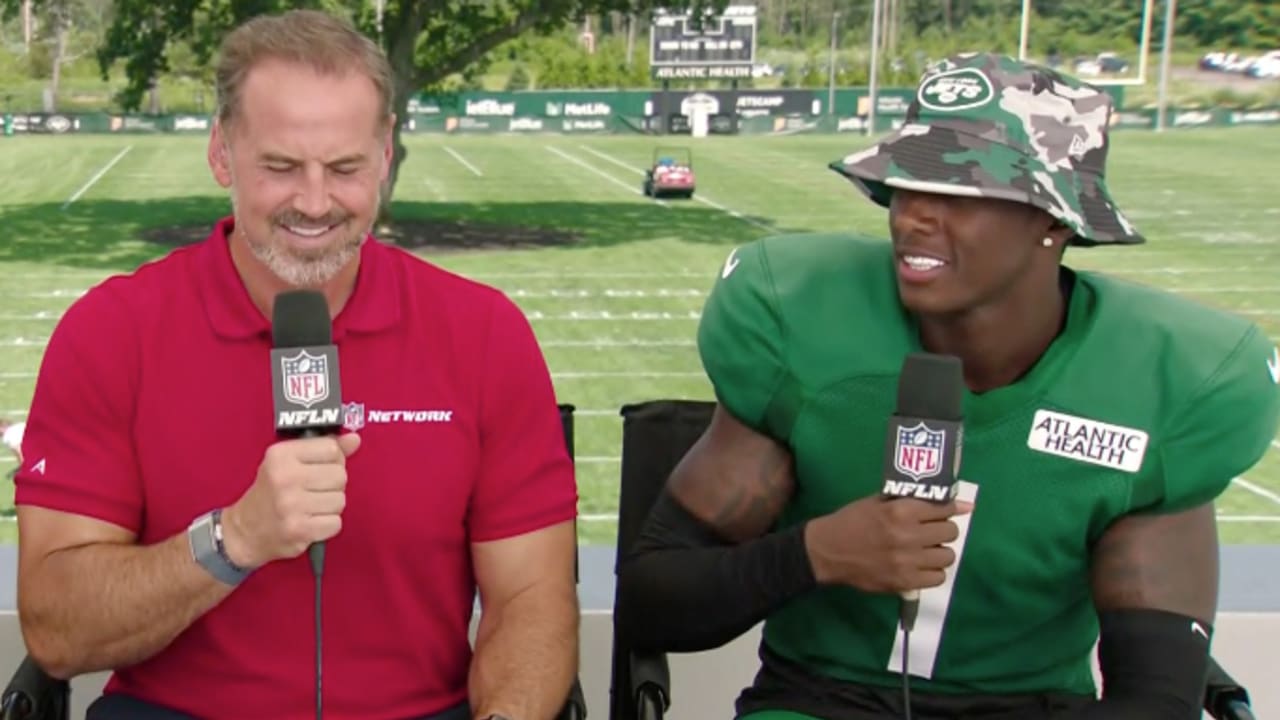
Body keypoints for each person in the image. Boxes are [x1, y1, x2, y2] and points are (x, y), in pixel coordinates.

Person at [617, 52, 1280, 719]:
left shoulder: (1161, 381)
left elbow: (1156, 702)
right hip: (818, 701)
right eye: (905, 186)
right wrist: (814, 553)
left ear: (1055, 220)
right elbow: (653, 603)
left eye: (959, 192)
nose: (912, 217)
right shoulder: (803, 326)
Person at [14, 9, 578, 720]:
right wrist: (234, 539)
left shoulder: (483, 333)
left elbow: (532, 599)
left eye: (343, 168)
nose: (314, 203)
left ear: (384, 156)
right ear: (222, 153)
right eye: (280, 167)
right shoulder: (111, 332)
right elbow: (56, 630)